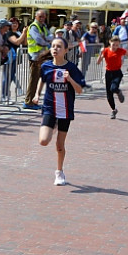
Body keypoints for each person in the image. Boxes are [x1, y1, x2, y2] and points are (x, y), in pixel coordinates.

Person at [39, 37, 85, 186]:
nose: (55, 49)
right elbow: (42, 79)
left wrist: (70, 79)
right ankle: (53, 126)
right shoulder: (46, 66)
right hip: (49, 108)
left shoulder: (71, 68)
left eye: (59, 47)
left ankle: (59, 172)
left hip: (65, 110)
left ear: (65, 50)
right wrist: (36, 94)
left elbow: (79, 90)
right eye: (53, 46)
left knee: (59, 145)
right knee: (43, 141)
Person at [23, 10, 52, 109]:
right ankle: (28, 102)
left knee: (40, 79)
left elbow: (51, 36)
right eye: (40, 16)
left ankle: (33, 100)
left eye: (43, 16)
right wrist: (47, 41)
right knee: (34, 79)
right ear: (36, 17)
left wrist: (46, 38)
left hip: (41, 56)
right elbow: (38, 40)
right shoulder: (34, 26)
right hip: (35, 56)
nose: (42, 18)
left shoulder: (43, 26)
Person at [97, 36, 128, 119]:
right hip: (108, 73)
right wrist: (101, 54)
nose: (115, 47)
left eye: (117, 45)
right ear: (109, 42)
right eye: (113, 45)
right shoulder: (106, 51)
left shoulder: (121, 51)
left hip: (117, 73)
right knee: (109, 95)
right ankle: (114, 110)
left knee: (113, 88)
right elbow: (98, 62)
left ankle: (119, 92)